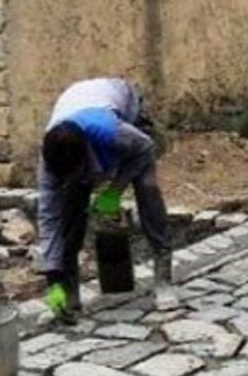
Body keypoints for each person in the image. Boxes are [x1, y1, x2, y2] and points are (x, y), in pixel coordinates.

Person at [37, 77, 172, 321]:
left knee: (147, 188)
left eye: (76, 172)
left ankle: (164, 278)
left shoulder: (111, 133)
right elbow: (49, 218)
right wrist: (52, 277)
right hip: (77, 99)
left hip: (120, 103)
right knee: (70, 211)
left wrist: (113, 191)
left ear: (86, 155)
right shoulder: (49, 162)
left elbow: (145, 149)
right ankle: (69, 296)